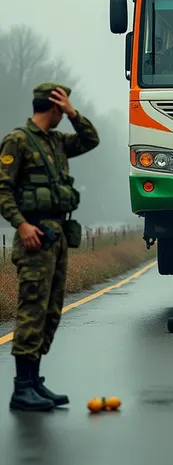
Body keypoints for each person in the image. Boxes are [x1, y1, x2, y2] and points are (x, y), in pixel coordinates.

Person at [0, 83, 100, 411]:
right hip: (34, 235)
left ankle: (35, 381)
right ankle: (22, 387)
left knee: (51, 312)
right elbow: (2, 190)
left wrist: (74, 114)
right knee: (32, 310)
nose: (65, 114)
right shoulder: (18, 140)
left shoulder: (57, 143)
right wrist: (22, 225)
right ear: (52, 106)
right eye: (64, 108)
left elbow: (91, 140)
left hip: (56, 236)